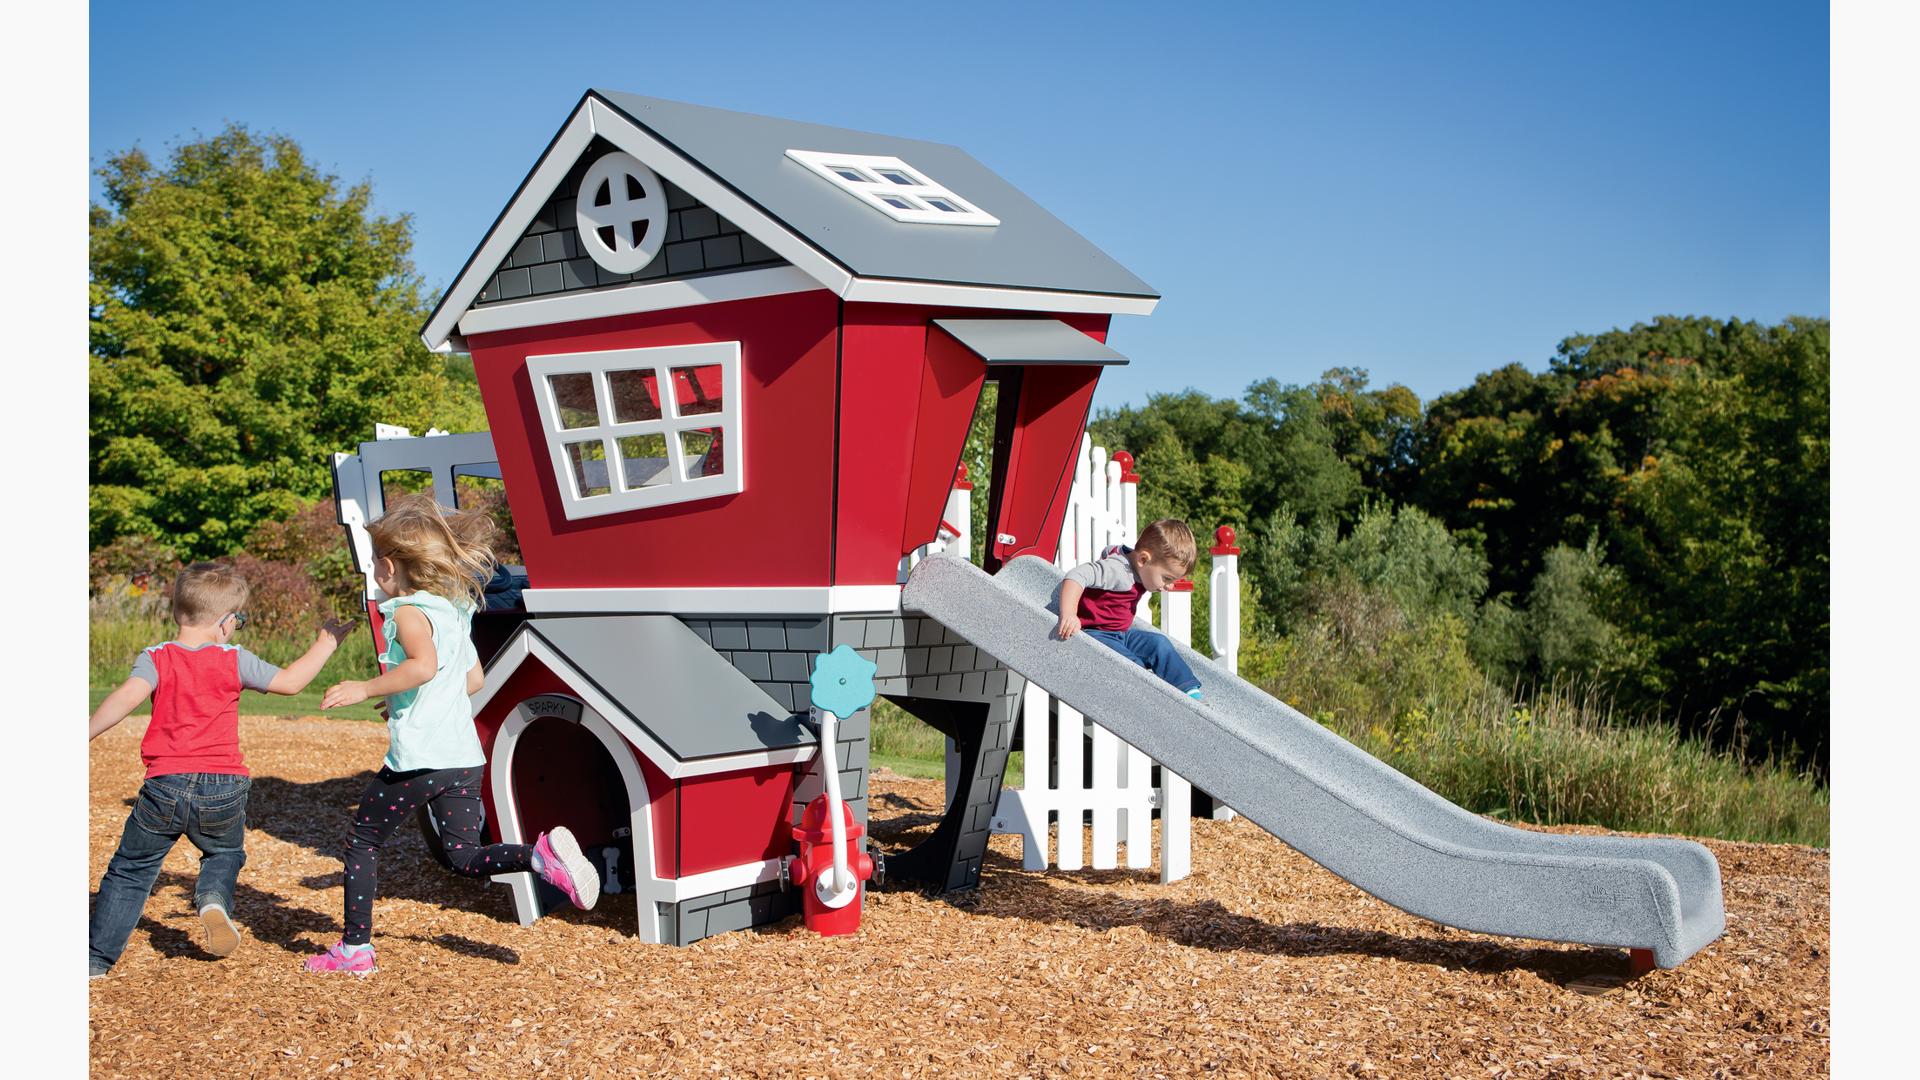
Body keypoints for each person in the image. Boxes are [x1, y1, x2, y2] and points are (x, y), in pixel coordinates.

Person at [307, 493, 598, 975]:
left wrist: (365, 687)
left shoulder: (403, 611)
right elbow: (470, 680)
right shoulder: (454, 610)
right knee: (462, 855)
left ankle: (355, 950)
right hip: (463, 756)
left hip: (423, 758)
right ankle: (541, 857)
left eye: (374, 563)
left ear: (389, 566)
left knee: (363, 841)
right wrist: (402, 697)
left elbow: (422, 666)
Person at [88, 562, 352, 977]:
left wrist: (83, 733)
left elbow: (125, 698)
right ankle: (212, 898)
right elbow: (290, 683)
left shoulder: (156, 657)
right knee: (225, 851)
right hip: (224, 785)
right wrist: (327, 643)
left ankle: (96, 960)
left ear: (179, 612)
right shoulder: (234, 659)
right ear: (226, 623)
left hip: (164, 784)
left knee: (131, 870)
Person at [1053, 518, 1206, 700]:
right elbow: (1077, 575)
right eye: (1167, 578)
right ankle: (1150, 695)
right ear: (1143, 559)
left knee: (1159, 643)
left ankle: (1188, 690)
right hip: (1095, 634)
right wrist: (1069, 614)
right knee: (1132, 666)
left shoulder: (1137, 566)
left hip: (1120, 634)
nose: (1169, 586)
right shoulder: (1117, 570)